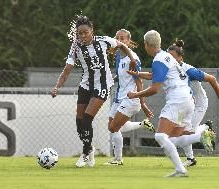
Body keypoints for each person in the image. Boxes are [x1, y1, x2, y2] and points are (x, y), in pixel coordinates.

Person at [51, 15, 137, 168]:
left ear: (92, 31)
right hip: (85, 85)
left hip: (102, 85)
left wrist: (132, 59)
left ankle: (85, 153)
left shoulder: (103, 40)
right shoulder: (76, 46)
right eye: (80, 33)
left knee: (86, 120)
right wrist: (57, 86)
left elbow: (122, 46)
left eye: (85, 32)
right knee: (79, 122)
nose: (83, 35)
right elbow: (67, 70)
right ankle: (90, 148)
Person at [127, 30, 196, 177]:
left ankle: (201, 135)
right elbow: (155, 76)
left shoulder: (159, 59)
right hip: (187, 98)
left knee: (160, 136)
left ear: (146, 45)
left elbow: (154, 89)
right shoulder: (166, 56)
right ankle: (182, 167)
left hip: (177, 99)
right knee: (172, 139)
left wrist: (135, 94)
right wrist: (138, 74)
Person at [166, 39, 219, 166]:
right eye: (168, 57)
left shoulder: (188, 69)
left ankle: (205, 128)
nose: (169, 60)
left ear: (180, 57)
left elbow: (211, 78)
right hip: (185, 104)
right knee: (182, 132)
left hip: (198, 105)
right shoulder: (170, 69)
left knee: (185, 132)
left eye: (172, 57)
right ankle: (190, 158)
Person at [106, 29, 155, 165]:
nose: (120, 41)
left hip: (131, 98)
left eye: (123, 38)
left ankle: (118, 159)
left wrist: (143, 103)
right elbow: (122, 77)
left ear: (128, 41)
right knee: (113, 126)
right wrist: (110, 82)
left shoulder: (132, 59)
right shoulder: (118, 56)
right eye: (118, 38)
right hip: (119, 97)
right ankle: (141, 124)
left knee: (114, 128)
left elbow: (139, 81)